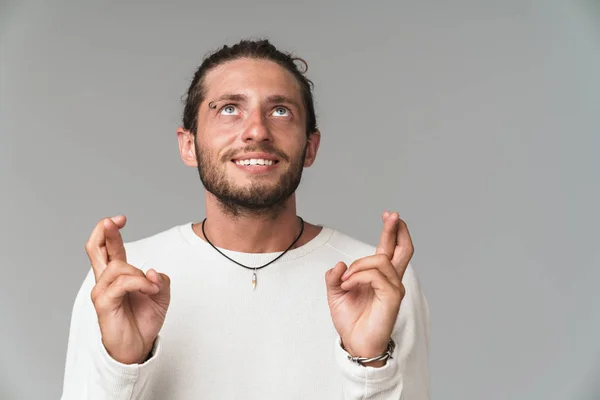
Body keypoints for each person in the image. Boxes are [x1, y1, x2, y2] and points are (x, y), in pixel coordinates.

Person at [60, 39, 430, 400]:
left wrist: (370, 365)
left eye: (280, 110)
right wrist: (124, 366)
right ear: (188, 145)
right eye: (228, 109)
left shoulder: (378, 281)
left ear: (310, 147)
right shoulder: (123, 281)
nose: (256, 130)